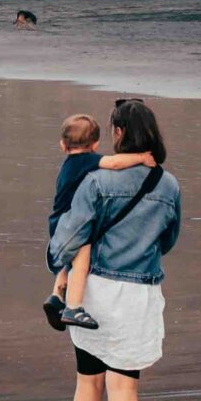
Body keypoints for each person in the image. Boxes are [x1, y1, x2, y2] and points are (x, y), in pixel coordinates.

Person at [48, 95, 182, 401]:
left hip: (95, 295)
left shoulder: (96, 182)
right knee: (125, 388)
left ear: (119, 133)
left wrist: (58, 268)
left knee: (88, 382)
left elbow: (68, 239)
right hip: (139, 295)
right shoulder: (168, 184)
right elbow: (168, 241)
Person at [44, 114, 152, 331]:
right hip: (73, 223)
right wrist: (141, 158)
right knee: (81, 263)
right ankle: (73, 308)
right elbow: (114, 163)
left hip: (59, 221)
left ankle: (57, 296)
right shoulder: (85, 160)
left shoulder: (68, 165)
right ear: (95, 145)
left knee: (69, 262)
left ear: (62, 145)